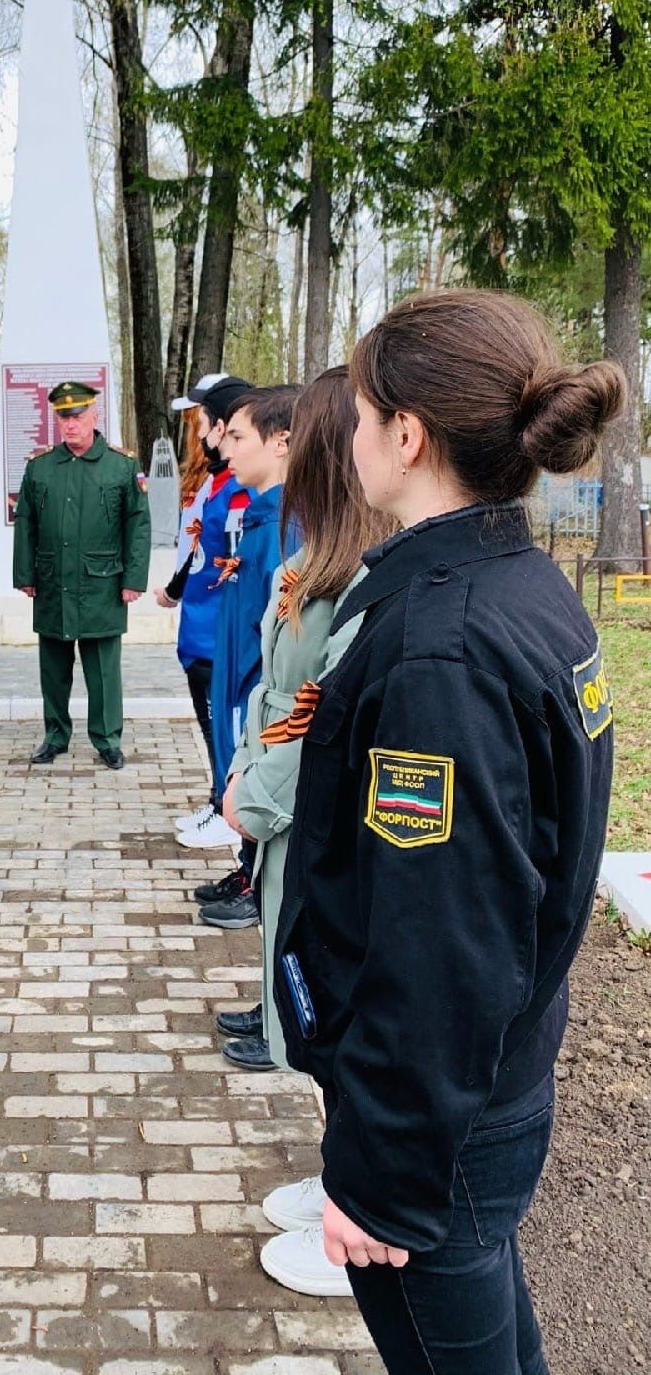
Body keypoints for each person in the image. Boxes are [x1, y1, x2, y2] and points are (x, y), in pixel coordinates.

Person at [266, 290, 622, 1369]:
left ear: (407, 435)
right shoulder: (518, 583)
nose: (352, 436)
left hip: (444, 1123)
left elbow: (440, 939)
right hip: (492, 1084)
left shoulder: (443, 647)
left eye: (364, 415)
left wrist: (383, 1177)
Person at [203, 370, 389, 1097]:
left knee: (321, 965)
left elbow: (323, 711)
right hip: (273, 783)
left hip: (305, 802)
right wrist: (243, 770)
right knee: (286, 940)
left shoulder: (359, 579)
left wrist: (254, 792)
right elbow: (274, 693)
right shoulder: (308, 562)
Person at [12, 380, 152, 770]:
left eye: (77, 416)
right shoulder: (41, 469)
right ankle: (55, 735)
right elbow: (26, 523)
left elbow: (138, 524)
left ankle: (107, 739)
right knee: (53, 667)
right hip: (53, 582)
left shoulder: (121, 466)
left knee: (104, 669)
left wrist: (133, 579)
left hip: (102, 582)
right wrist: (25, 574)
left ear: (94, 416)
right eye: (63, 417)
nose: (70, 424)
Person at [201, 384, 301, 858]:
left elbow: (285, 648)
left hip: (257, 707)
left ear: (280, 442)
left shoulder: (287, 531)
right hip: (240, 697)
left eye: (239, 438)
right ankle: (246, 872)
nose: (225, 447)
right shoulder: (264, 522)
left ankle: (251, 877)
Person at [155, 376, 251, 838]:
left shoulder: (240, 489)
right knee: (214, 732)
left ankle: (227, 808)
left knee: (226, 731)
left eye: (205, 424)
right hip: (201, 628)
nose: (199, 434)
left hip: (219, 631)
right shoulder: (216, 483)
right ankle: (219, 799)